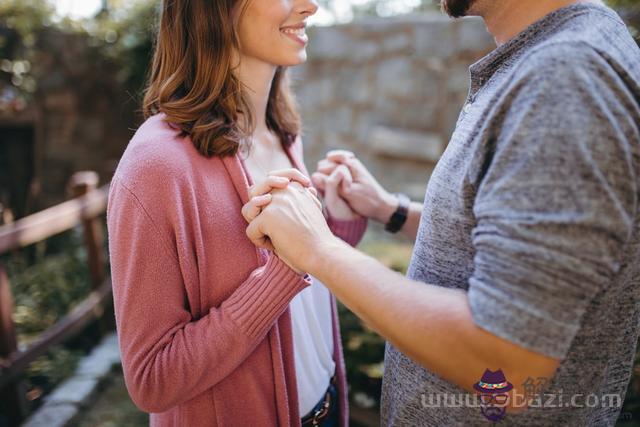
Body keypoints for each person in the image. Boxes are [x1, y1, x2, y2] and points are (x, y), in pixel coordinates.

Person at [244, 0, 640, 425]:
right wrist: (391, 211)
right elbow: (521, 249)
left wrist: (319, 249)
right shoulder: (558, 54)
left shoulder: (565, 76)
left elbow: (507, 362)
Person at [106, 0, 368, 425]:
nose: (310, 5)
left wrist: (336, 219)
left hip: (329, 408)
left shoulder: (282, 132)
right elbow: (151, 380)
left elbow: (306, 286)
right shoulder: (154, 165)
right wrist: (286, 269)